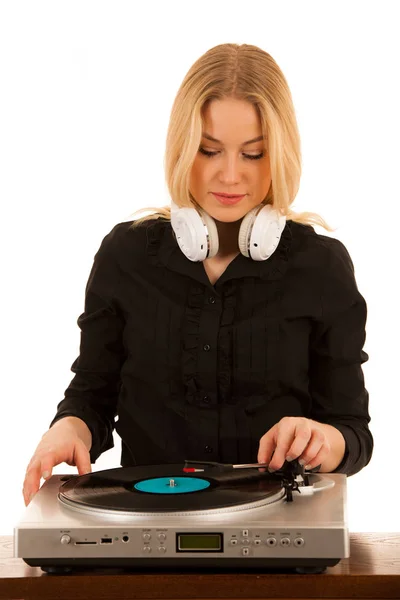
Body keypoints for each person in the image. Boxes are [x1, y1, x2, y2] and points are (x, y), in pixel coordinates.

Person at [22, 43, 373, 506]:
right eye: (209, 150)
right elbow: (93, 394)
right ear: (182, 147)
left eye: (253, 154)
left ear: (281, 153)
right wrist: (68, 428)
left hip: (276, 534)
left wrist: (322, 439)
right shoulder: (124, 256)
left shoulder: (322, 267)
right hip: (145, 525)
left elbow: (353, 432)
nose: (230, 175)